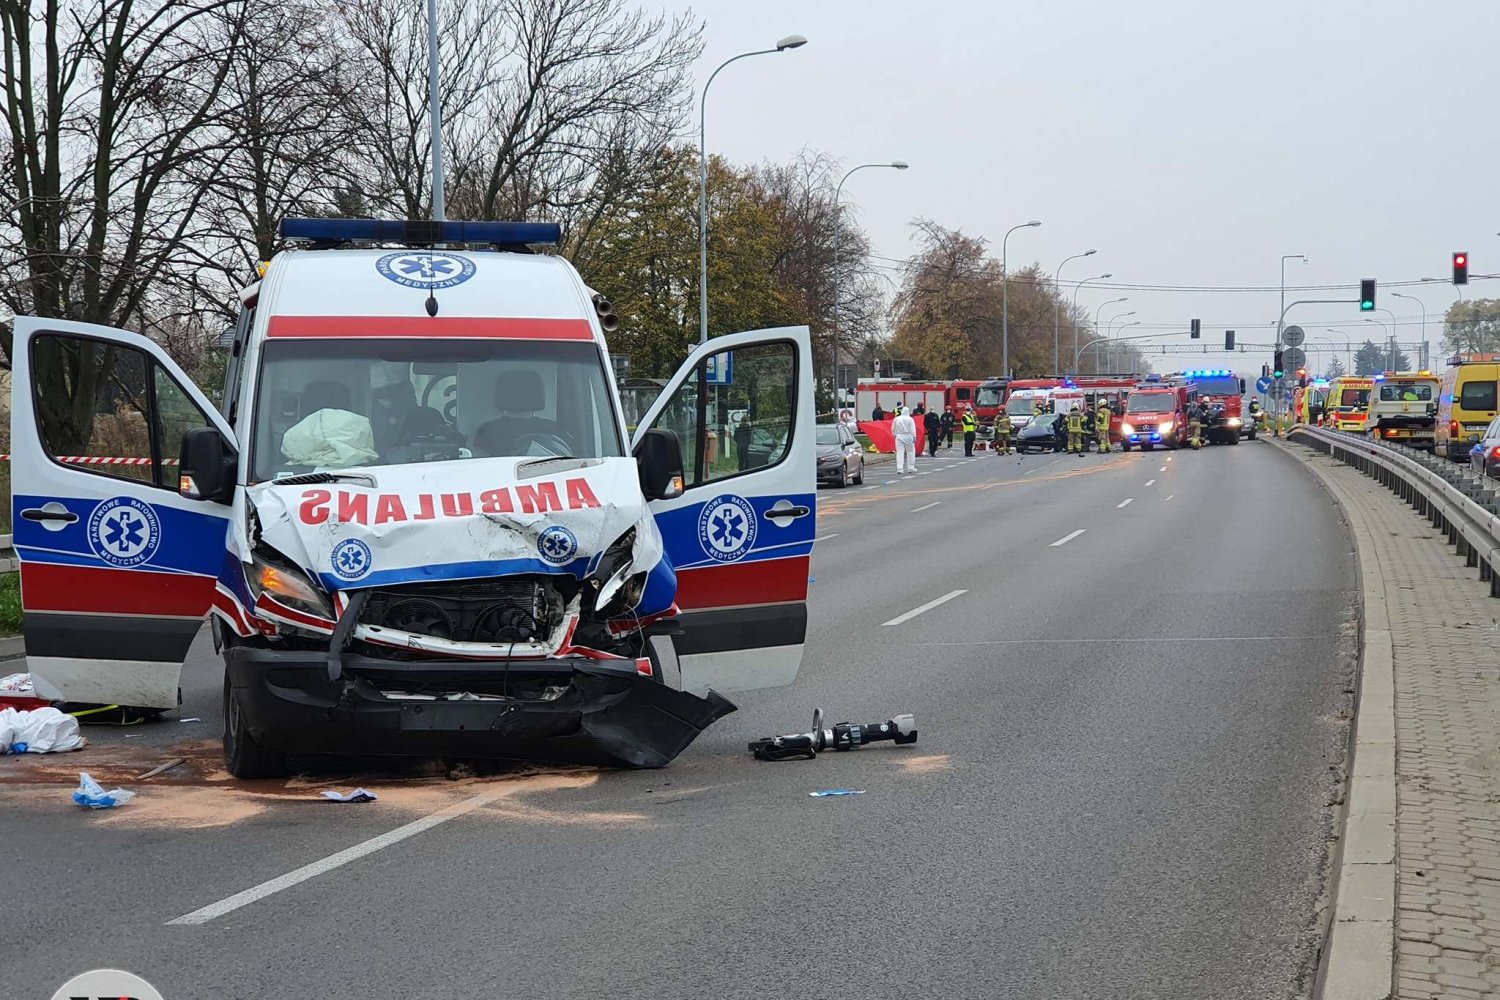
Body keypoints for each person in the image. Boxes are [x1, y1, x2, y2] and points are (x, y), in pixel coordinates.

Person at [892, 405, 918, 475]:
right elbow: (913, 429)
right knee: (910, 451)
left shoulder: (897, 418)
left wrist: (894, 434)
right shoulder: (910, 419)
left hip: (899, 436)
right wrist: (914, 436)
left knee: (900, 452)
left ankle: (900, 468)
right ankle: (911, 467)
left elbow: (893, 428)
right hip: (908, 436)